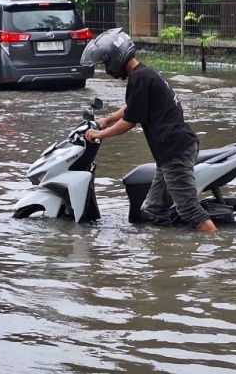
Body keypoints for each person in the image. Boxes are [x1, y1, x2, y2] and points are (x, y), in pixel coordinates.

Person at [81, 28, 218, 233]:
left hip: (175, 151)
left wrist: (100, 134)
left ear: (116, 59)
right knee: (153, 210)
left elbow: (130, 121)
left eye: (106, 63)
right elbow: (132, 107)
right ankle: (168, 250)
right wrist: (107, 120)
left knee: (189, 209)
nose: (108, 69)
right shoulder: (145, 74)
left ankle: (217, 246)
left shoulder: (140, 78)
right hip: (170, 151)